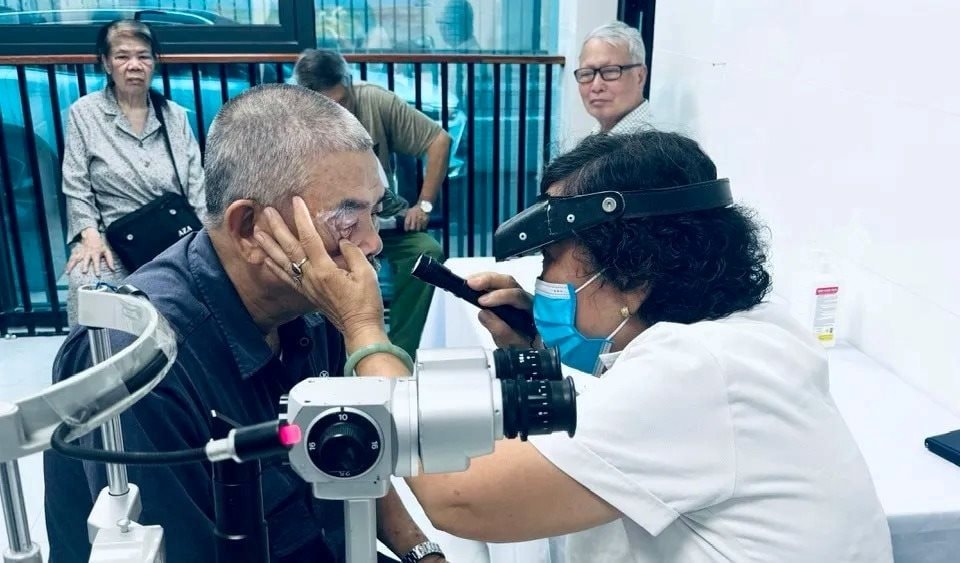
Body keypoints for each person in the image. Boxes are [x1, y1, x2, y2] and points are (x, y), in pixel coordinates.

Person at [260, 131, 895, 563]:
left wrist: (363, 327)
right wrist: (536, 345)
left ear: (634, 268)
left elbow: (460, 499)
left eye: (552, 260)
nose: (544, 281)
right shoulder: (754, 331)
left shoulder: (699, 370)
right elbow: (627, 409)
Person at [44, 84, 448, 563]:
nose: (373, 244)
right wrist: (364, 326)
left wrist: (422, 553)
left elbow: (355, 451)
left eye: (375, 213)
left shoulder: (312, 297)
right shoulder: (139, 362)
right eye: (346, 221)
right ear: (249, 228)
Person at [294, 48, 452, 360]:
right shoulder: (294, 122)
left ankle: (403, 350)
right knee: (316, 270)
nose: (337, 112)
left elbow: (439, 140)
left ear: (349, 83)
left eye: (342, 102)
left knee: (427, 253)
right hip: (326, 228)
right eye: (326, 106)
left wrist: (423, 205)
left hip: (381, 218)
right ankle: (335, 354)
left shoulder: (374, 100)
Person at [61, 19, 205, 327]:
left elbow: (197, 185)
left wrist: (208, 241)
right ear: (106, 63)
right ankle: (92, 355)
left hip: (171, 237)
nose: (134, 65)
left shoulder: (173, 116)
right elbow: (75, 183)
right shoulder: (85, 113)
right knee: (86, 281)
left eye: (143, 56)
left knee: (210, 286)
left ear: (154, 62)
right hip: (112, 236)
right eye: (122, 56)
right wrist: (90, 235)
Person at [576, 21, 654, 134]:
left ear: (640, 76)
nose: (596, 87)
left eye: (610, 71)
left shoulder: (656, 141)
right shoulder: (600, 133)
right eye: (586, 74)